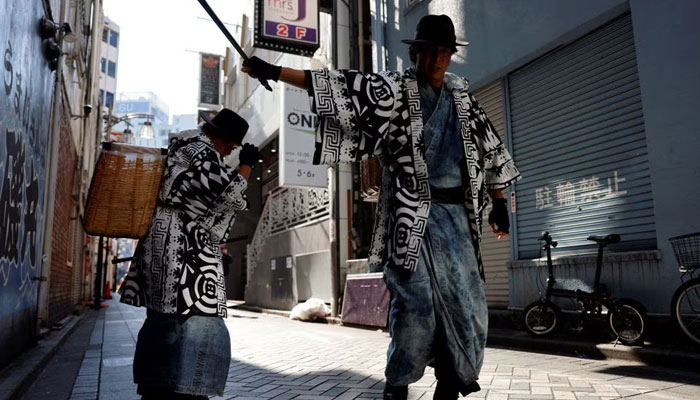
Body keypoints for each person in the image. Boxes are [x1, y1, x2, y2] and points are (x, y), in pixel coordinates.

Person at [242, 14, 520, 399]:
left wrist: (499, 202)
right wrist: (272, 69)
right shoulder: (395, 91)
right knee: (415, 312)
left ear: (450, 55)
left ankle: (451, 385)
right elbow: (341, 85)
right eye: (430, 51)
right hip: (412, 221)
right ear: (417, 53)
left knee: (467, 310)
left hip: (458, 224)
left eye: (444, 51)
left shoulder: (464, 101)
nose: (437, 59)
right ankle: (398, 385)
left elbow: (491, 153)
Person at [119, 108, 259, 399]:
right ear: (219, 136)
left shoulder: (186, 147)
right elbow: (227, 194)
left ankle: (162, 387)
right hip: (176, 246)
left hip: (171, 244)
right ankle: (174, 389)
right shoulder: (197, 149)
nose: (231, 150)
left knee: (167, 318)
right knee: (173, 319)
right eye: (231, 143)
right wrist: (245, 167)